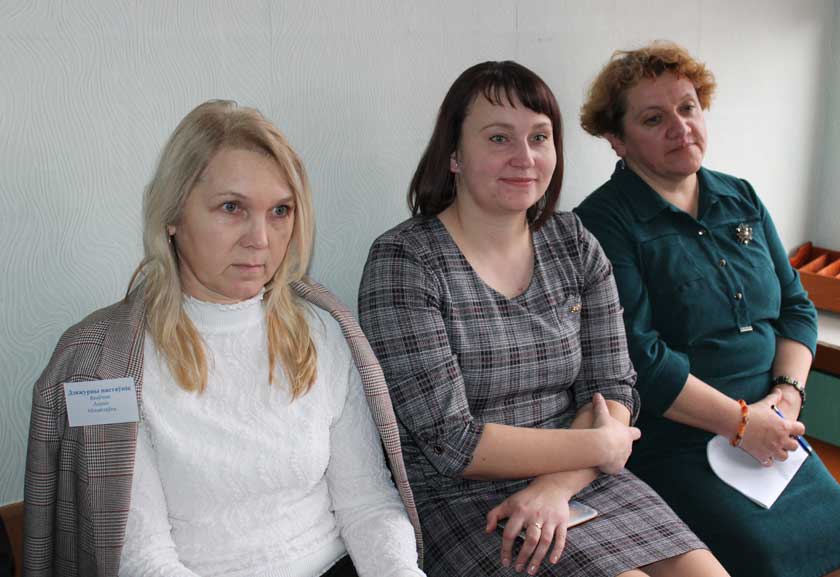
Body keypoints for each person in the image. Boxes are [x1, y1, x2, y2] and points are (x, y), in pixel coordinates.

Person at [23, 100, 425, 577]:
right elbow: (139, 555)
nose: (261, 239)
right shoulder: (101, 366)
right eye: (232, 208)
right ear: (173, 215)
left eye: (280, 211)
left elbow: (369, 504)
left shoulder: (322, 331)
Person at [358, 61, 728, 577]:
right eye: (498, 138)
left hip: (583, 477)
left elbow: (613, 388)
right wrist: (599, 445)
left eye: (539, 137)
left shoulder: (573, 241)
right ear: (454, 155)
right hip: (468, 497)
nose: (525, 157)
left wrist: (557, 484)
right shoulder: (405, 262)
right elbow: (452, 442)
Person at [574, 42, 840, 577]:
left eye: (688, 107)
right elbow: (639, 359)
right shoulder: (601, 223)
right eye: (654, 119)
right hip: (680, 442)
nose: (680, 128)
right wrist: (741, 424)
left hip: (772, 426)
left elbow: (796, 308)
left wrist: (786, 398)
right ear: (617, 140)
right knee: (766, 559)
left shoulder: (741, 197)